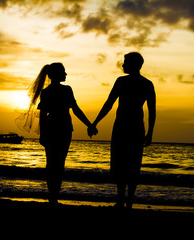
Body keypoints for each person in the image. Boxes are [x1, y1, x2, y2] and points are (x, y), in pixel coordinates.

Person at [88, 52, 156, 210]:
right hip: (130, 127)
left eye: (125, 62)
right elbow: (109, 104)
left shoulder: (134, 83)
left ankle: (124, 200)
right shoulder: (140, 83)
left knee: (126, 163)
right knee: (129, 164)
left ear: (133, 64)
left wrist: (94, 123)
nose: (122, 65)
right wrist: (95, 122)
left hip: (128, 127)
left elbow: (109, 104)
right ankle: (125, 200)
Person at [29, 62, 93, 206]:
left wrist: (42, 134)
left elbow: (44, 116)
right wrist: (89, 125)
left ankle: (52, 197)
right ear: (56, 74)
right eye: (63, 71)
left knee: (51, 163)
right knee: (58, 164)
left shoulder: (46, 92)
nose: (65, 74)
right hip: (63, 129)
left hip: (52, 129)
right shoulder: (66, 90)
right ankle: (54, 197)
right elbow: (75, 110)